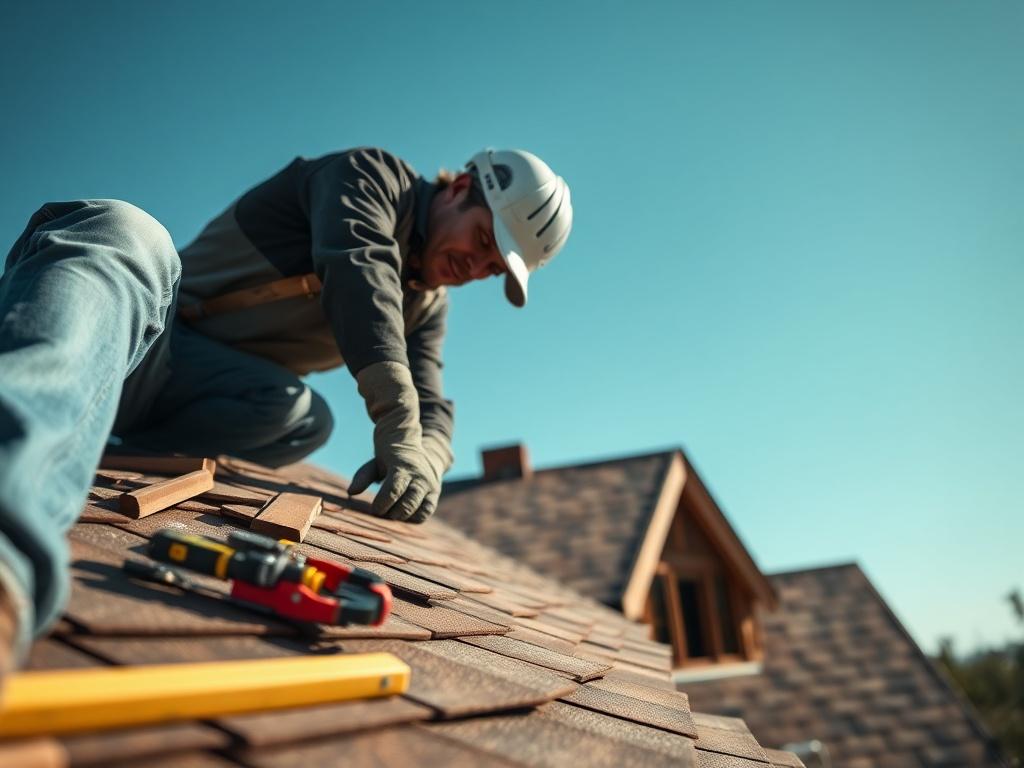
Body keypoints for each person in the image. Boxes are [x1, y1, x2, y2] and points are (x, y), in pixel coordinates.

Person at [0, 146, 573, 674]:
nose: (475, 269)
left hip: (183, 392)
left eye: (494, 267)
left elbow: (431, 396)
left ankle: (92, 435)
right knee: (127, 231)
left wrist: (431, 456)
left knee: (301, 416)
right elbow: (359, 269)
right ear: (461, 187)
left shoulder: (427, 306)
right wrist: (398, 423)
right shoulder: (369, 176)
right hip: (141, 333)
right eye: (481, 241)